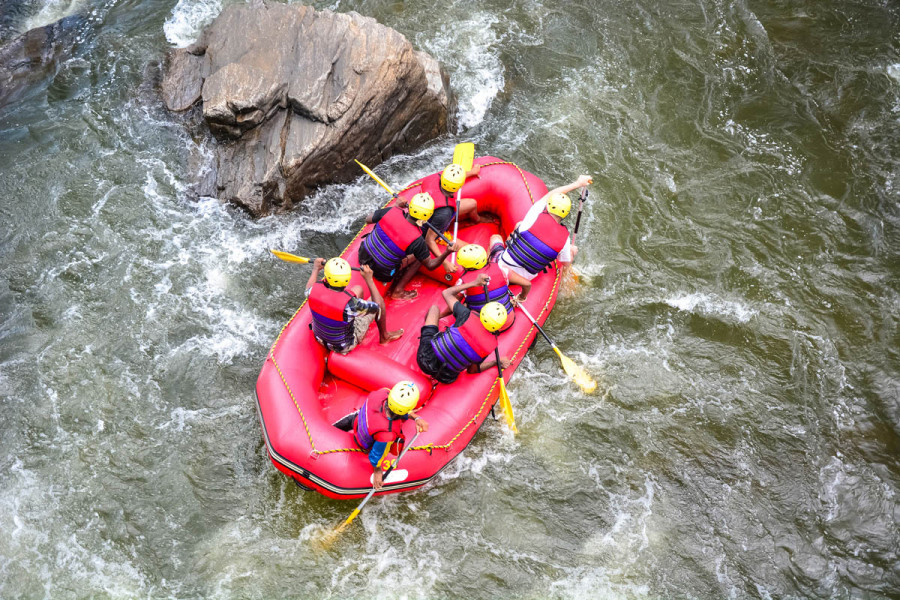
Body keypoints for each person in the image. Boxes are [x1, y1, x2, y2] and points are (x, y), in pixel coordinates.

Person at [358, 192, 459, 299]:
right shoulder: (418, 240)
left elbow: (368, 219)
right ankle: (398, 291)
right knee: (420, 256)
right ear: (427, 217)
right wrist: (447, 252)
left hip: (362, 255)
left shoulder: (391, 211)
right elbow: (430, 265)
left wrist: (395, 206)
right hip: (381, 273)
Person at [494, 174, 593, 282]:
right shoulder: (565, 238)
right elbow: (566, 262)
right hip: (525, 278)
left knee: (495, 238)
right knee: (520, 225)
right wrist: (572, 252)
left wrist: (577, 184)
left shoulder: (535, 214)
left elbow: (551, 194)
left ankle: (496, 259)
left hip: (502, 268)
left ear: (548, 206)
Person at [416, 275, 511, 384]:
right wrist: (496, 362)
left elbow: (446, 293)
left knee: (434, 309)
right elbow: (472, 370)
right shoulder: (491, 345)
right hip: (446, 377)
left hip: (424, 359)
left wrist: (474, 283)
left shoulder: (466, 315)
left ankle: (431, 329)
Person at [334, 381, 429, 490]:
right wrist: (377, 470)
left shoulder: (383, 392)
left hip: (356, 421)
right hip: (363, 443)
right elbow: (375, 455)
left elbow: (396, 408)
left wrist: (416, 418)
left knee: (354, 416)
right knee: (386, 445)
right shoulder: (387, 433)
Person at [306, 257, 403, 354]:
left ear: (326, 277)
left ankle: (348, 318)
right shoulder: (352, 305)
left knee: (358, 289)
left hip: (319, 338)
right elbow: (378, 307)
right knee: (376, 300)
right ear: (347, 280)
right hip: (343, 345)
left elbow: (308, 289)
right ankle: (384, 336)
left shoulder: (311, 291)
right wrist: (369, 279)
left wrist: (315, 269)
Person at [451, 244, 532, 326]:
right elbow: (527, 284)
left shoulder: (462, 281)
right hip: (508, 320)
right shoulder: (501, 268)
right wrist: (521, 298)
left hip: (484, 325)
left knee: (464, 305)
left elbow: (452, 303)